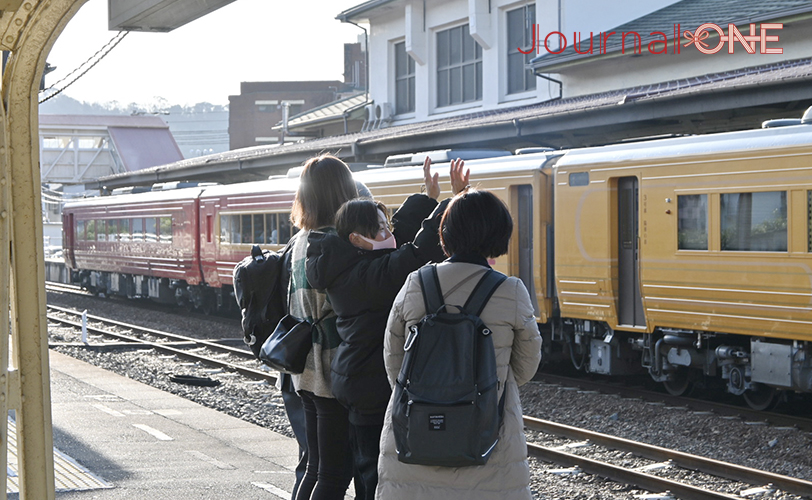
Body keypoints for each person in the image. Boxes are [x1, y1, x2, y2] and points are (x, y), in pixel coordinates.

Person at [305, 158, 469, 500]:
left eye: (386, 225)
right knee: (370, 475)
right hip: (367, 385)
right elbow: (413, 253)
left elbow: (403, 236)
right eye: (379, 228)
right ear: (359, 239)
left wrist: (428, 197)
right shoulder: (361, 277)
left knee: (367, 471)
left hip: (361, 379)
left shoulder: (349, 259)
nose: (388, 233)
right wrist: (453, 203)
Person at [375, 188, 542, 500]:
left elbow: (393, 360)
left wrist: (431, 389)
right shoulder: (511, 291)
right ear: (499, 233)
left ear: (446, 233)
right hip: (489, 445)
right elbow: (525, 367)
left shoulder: (416, 283)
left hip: (416, 440)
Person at [288, 154, 359, 500]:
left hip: (305, 370)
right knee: (333, 475)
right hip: (331, 369)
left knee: (316, 467)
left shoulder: (302, 240)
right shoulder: (337, 243)